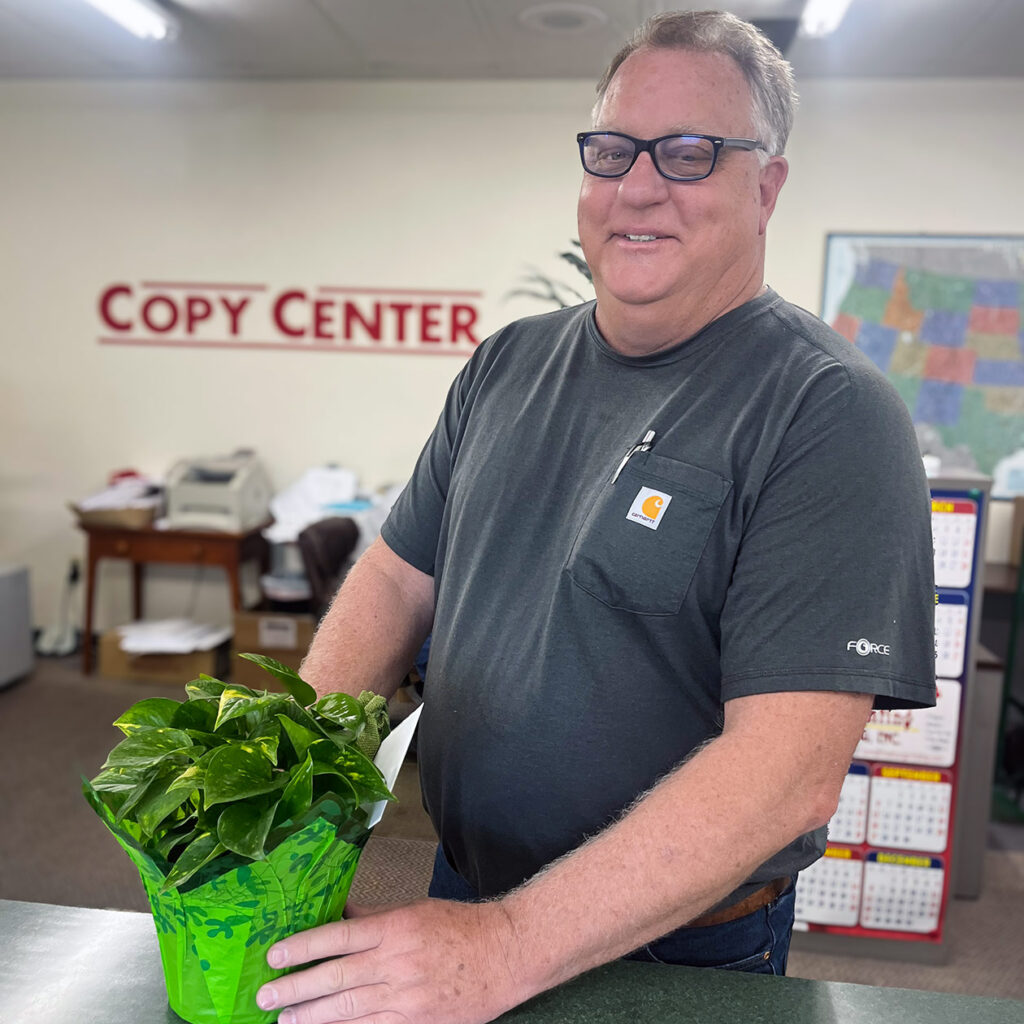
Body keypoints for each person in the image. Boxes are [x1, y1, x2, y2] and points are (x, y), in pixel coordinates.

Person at [256, 10, 936, 1024]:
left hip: (675, 945)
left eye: (691, 152)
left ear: (767, 187)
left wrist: (503, 948)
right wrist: (271, 785)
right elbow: (398, 579)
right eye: (613, 150)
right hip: (468, 891)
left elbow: (787, 772)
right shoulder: (507, 364)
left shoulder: (825, 412)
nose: (638, 186)